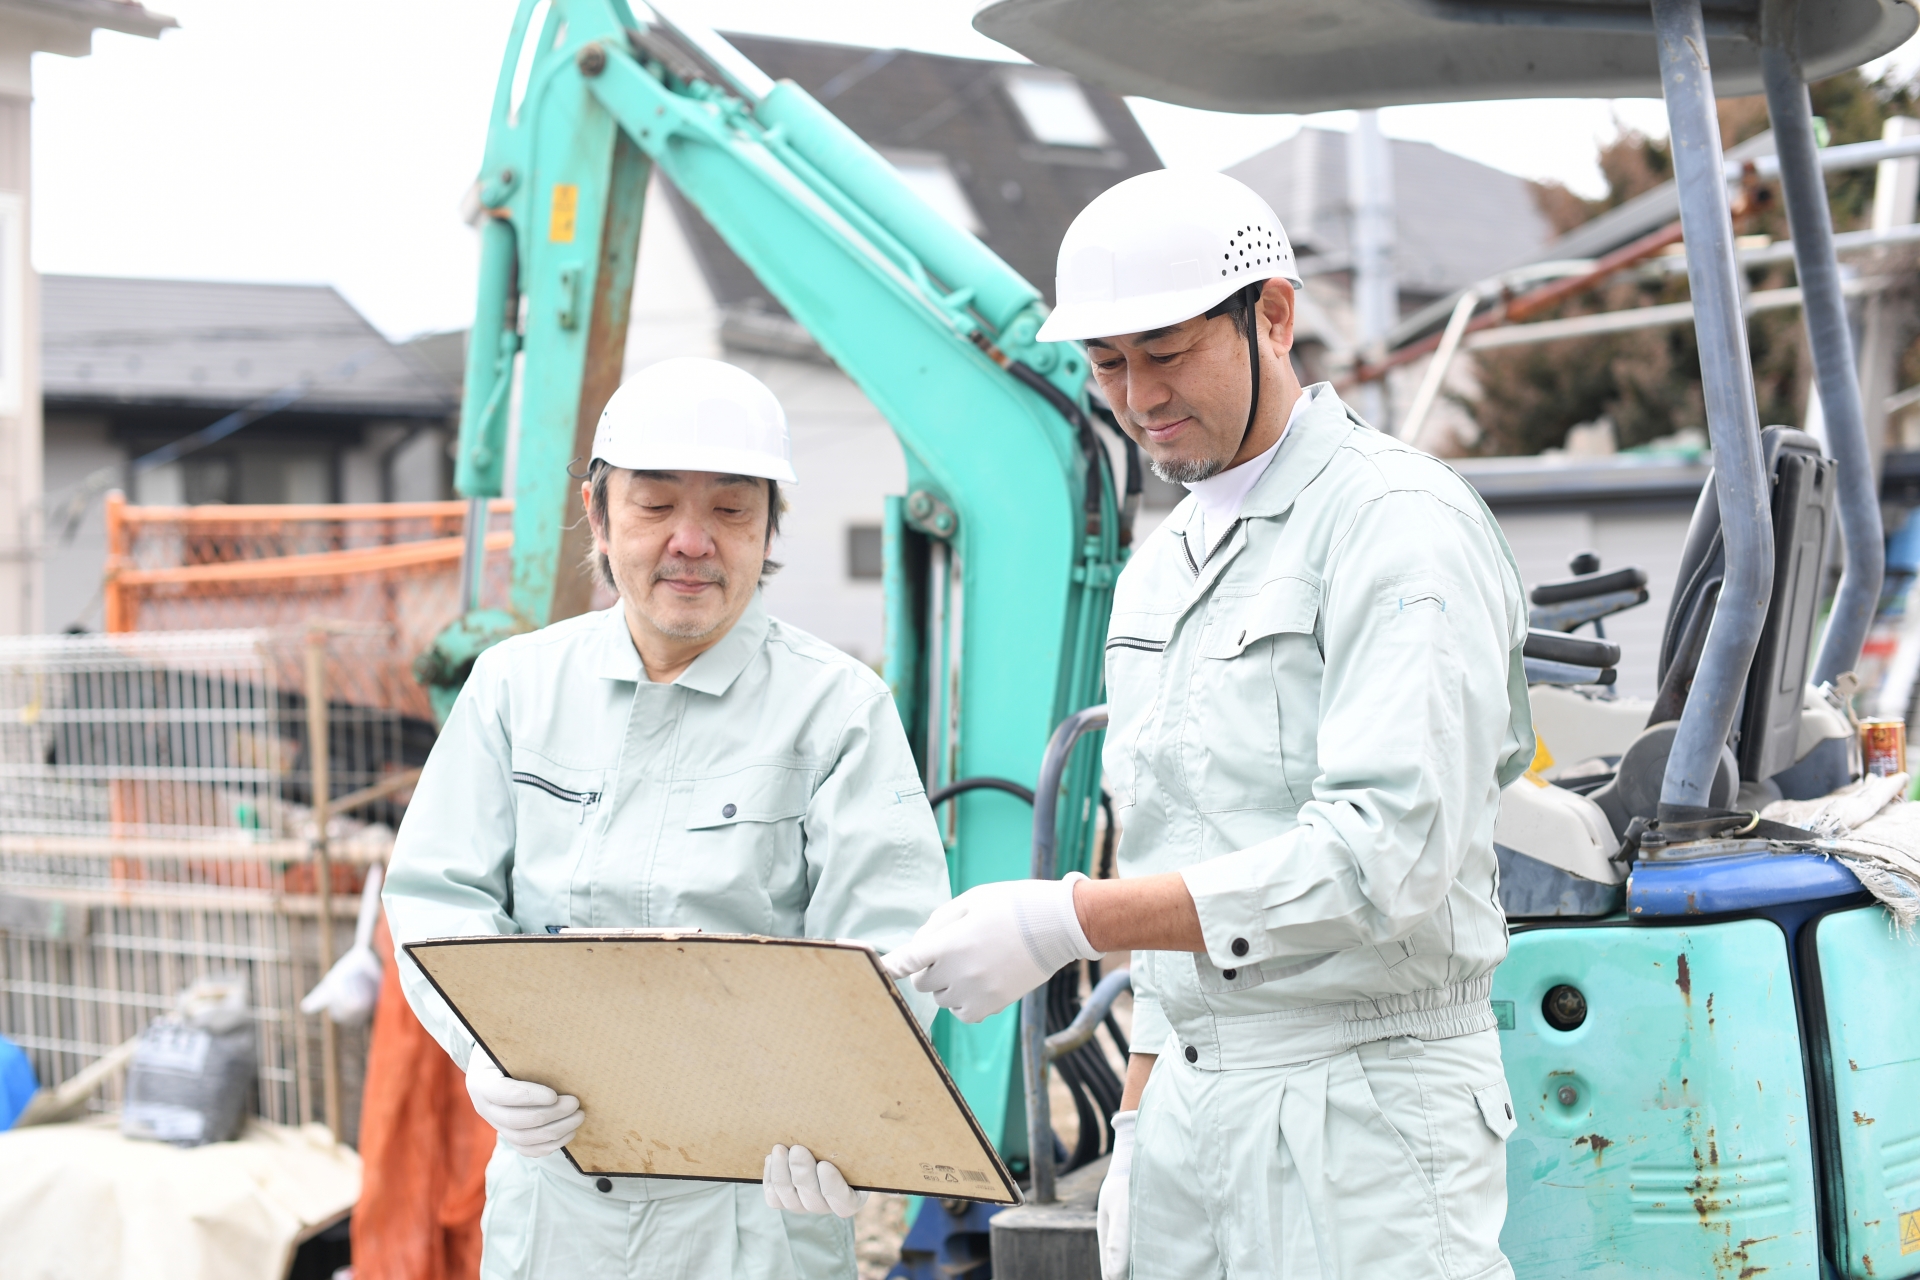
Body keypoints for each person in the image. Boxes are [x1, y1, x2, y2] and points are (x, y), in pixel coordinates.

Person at [884, 170, 1533, 1280]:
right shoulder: (1160, 569)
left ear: (1271, 316)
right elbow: (1172, 853)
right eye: (1106, 364)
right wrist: (1138, 1125)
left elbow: (1388, 855)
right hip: (1189, 1102)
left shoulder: (1394, 526)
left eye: (1165, 351)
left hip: (1366, 1113)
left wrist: (1067, 917)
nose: (1135, 397)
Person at [384, 357, 951, 1280]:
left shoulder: (838, 710)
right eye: (655, 506)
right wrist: (482, 1051)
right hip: (555, 1207)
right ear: (599, 517)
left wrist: (849, 1115)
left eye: (731, 510)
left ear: (770, 528)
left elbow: (892, 949)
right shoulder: (514, 690)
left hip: (758, 1212)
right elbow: (434, 895)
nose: (692, 541)